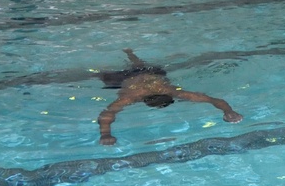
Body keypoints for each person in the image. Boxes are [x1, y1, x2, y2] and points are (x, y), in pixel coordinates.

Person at [96, 48, 242, 145]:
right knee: (106, 73)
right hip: (128, 77)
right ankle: (129, 53)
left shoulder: (168, 90)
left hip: (150, 73)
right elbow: (107, 114)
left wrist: (228, 111)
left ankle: (129, 53)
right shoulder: (134, 96)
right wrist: (105, 134)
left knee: (138, 65)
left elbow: (214, 100)